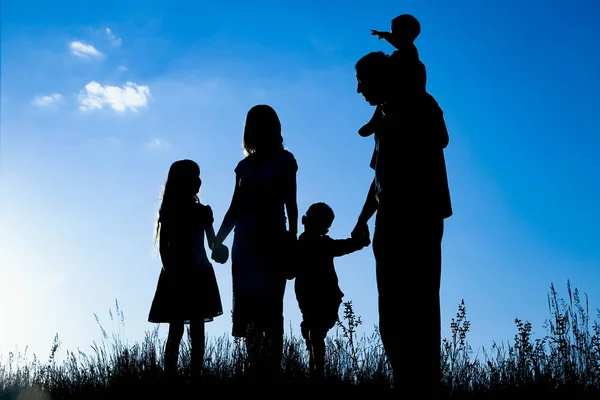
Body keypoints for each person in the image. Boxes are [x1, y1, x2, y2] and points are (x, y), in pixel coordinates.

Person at [352, 51, 452, 395]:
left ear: (381, 78)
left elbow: (440, 137)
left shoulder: (419, 103)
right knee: (391, 313)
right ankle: (405, 383)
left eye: (362, 81)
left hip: (419, 214)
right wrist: (363, 218)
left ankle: (423, 385)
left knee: (420, 306)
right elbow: (377, 176)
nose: (358, 90)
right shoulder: (383, 117)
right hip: (388, 220)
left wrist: (406, 109)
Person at [212, 104, 299, 382]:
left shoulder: (285, 161)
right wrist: (217, 241)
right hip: (249, 243)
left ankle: (269, 370)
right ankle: (256, 369)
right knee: (253, 309)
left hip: (270, 240)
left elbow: (292, 204)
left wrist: (291, 243)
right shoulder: (245, 166)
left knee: (270, 308)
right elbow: (235, 207)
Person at [148, 159, 225, 379]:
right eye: (194, 177)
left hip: (194, 273)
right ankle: (175, 374)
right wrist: (172, 270)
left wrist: (220, 250)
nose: (199, 181)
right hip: (183, 274)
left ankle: (193, 374)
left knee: (192, 328)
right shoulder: (173, 211)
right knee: (180, 329)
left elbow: (212, 245)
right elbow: (164, 248)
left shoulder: (200, 211)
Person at [292, 202, 369, 380]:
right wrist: (360, 241)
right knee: (311, 334)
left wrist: (360, 241)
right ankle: (315, 372)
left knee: (315, 333)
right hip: (310, 299)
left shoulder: (319, 244)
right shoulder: (303, 245)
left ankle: (317, 373)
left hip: (325, 299)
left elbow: (347, 246)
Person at [359, 14, 427, 138]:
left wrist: (384, 35)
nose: (392, 35)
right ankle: (374, 122)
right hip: (399, 100)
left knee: (387, 95)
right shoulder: (401, 56)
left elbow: (396, 41)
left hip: (410, 97)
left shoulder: (410, 55)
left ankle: (374, 122)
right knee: (384, 101)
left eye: (395, 32)